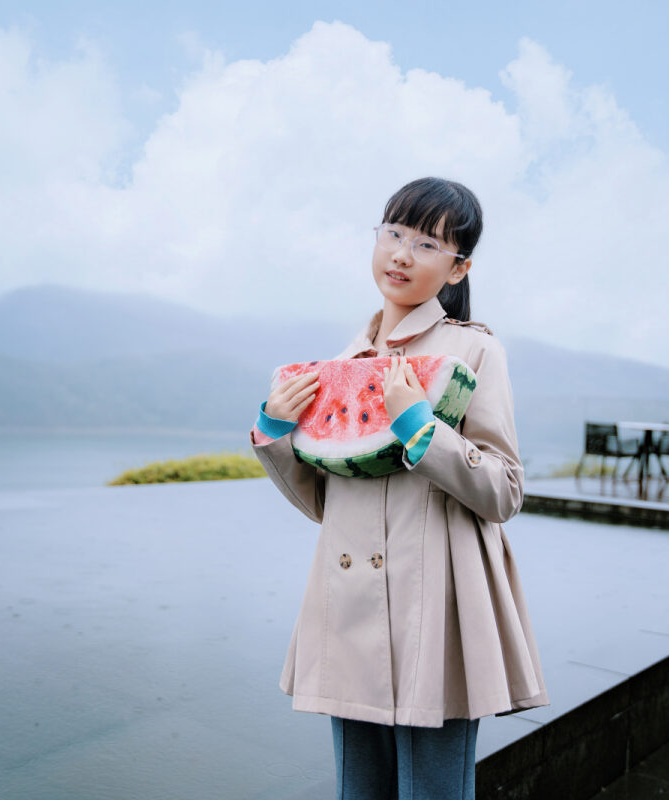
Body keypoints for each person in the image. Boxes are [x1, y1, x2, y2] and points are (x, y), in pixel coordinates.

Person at [249, 177, 549, 800]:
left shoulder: (475, 350)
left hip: (436, 604)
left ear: (458, 267)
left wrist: (421, 428)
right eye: (392, 232)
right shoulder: (344, 362)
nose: (402, 253)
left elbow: (505, 491)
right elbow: (324, 503)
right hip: (349, 603)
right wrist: (276, 434)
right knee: (358, 791)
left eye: (427, 243)